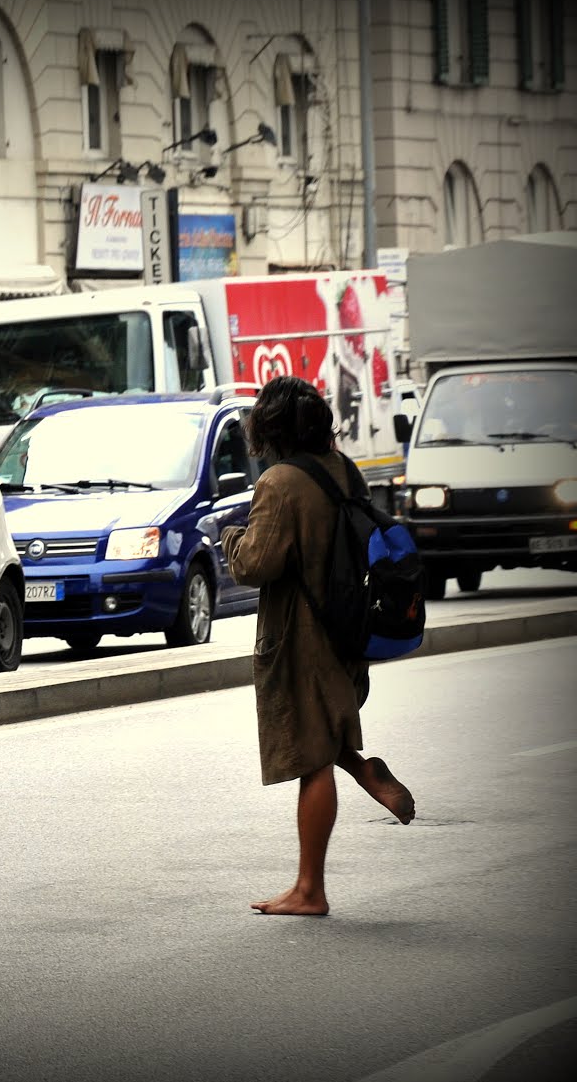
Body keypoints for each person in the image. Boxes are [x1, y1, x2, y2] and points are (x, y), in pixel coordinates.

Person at [219, 376, 416, 917]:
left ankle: (311, 889)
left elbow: (256, 565)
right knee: (324, 733)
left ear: (272, 428)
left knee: (311, 759)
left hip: (301, 636)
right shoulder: (343, 469)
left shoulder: (281, 482)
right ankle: (365, 772)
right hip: (347, 628)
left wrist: (231, 537)